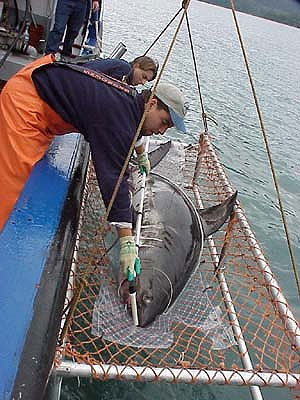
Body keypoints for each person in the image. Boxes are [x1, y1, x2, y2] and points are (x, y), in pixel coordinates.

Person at [0, 54, 187, 280]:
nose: (162, 131)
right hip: (28, 100)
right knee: (7, 185)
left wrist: (141, 154)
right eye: (164, 122)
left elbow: (133, 126)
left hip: (44, 87)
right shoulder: (119, 118)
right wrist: (127, 240)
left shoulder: (132, 101)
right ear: (153, 103)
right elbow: (113, 179)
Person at [83, 55, 159, 86]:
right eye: (144, 76)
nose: (143, 82)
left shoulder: (123, 66)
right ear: (136, 65)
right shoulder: (125, 69)